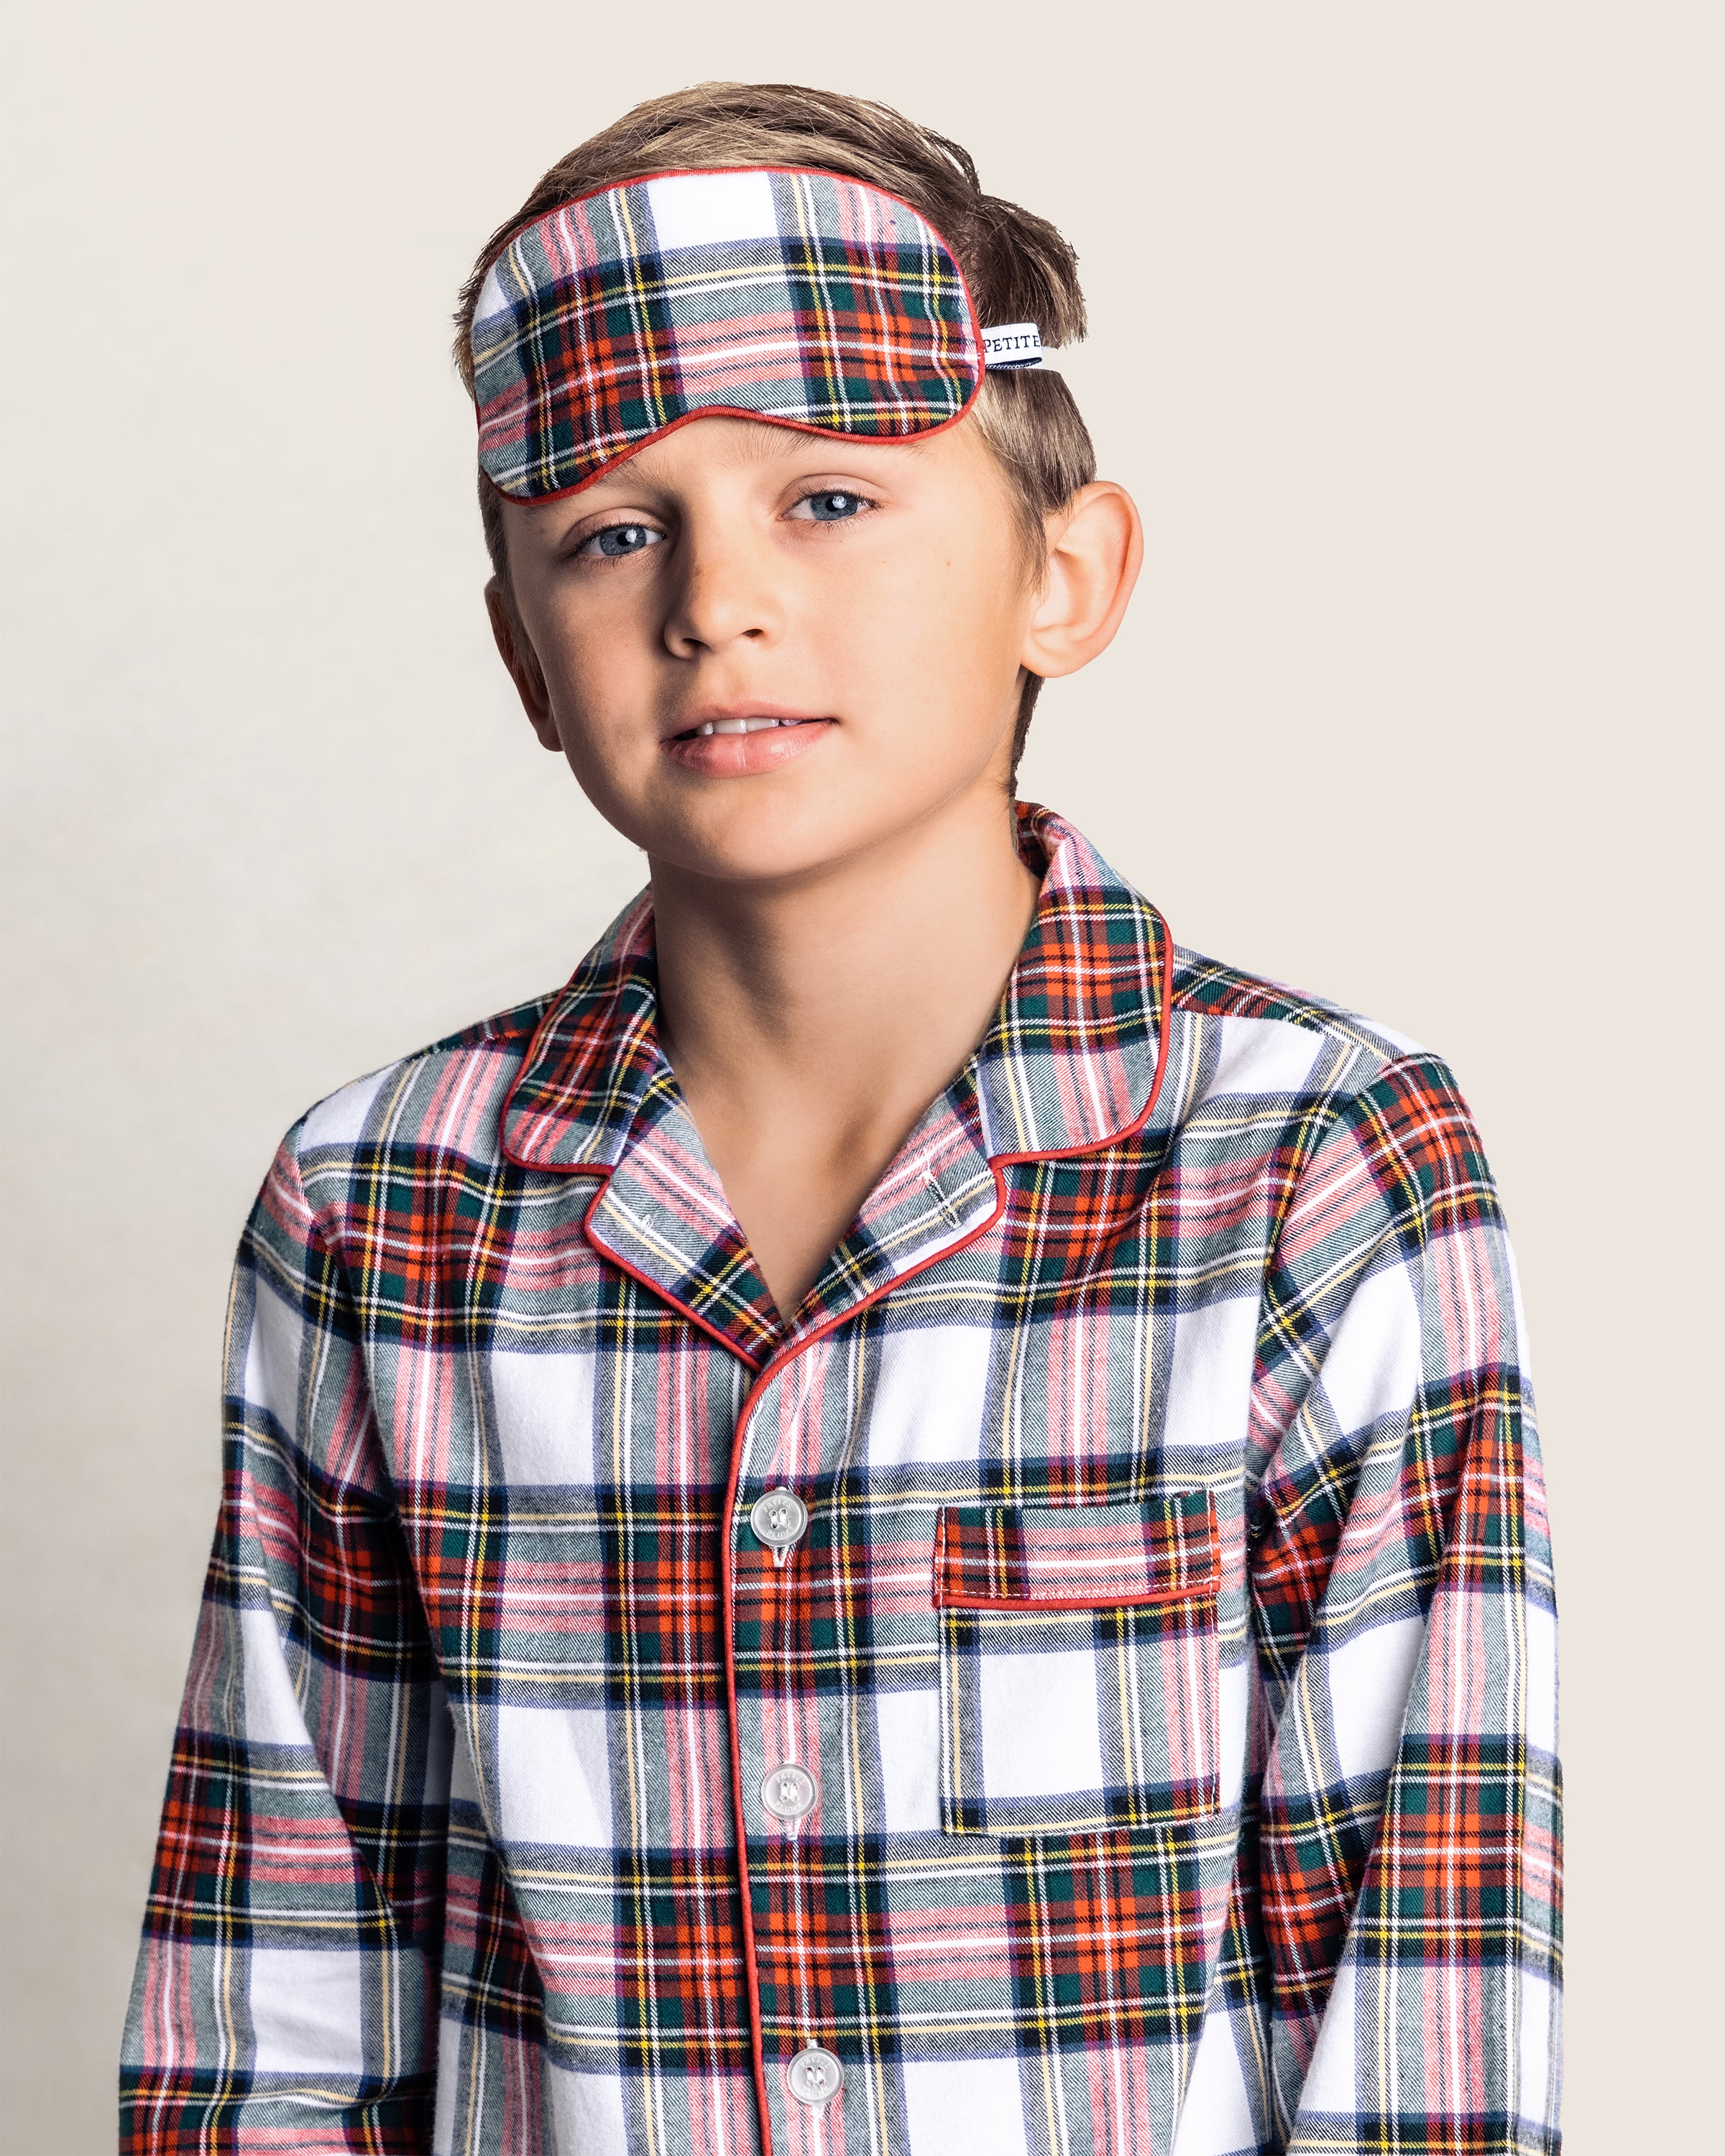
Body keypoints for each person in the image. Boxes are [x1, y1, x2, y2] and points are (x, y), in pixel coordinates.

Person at [120, 82, 1561, 2156]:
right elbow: (276, 1987)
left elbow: (1420, 2002)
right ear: (526, 651)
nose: (718, 601)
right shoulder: (384, 1204)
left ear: (1067, 573)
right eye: (616, 533)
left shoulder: (1315, 1167)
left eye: (831, 500)